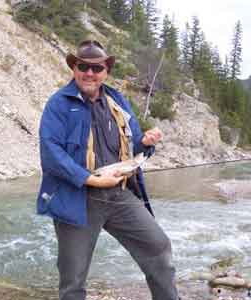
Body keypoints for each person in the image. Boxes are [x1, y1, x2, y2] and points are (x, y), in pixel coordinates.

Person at [37, 40, 178, 300]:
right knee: (73, 278)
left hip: (120, 195)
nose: (89, 73)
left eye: (96, 68)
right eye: (83, 66)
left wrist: (146, 144)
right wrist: (90, 179)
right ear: (74, 68)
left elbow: (134, 144)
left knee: (158, 247)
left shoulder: (117, 100)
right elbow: (51, 153)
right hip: (76, 198)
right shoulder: (58, 103)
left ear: (106, 71)